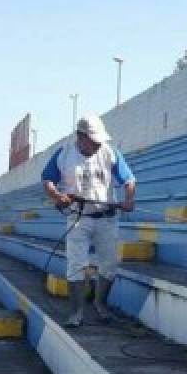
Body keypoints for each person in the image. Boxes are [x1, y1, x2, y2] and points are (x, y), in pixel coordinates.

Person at [41, 115, 137, 327]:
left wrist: (129, 199)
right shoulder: (63, 155)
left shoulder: (110, 153)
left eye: (98, 141)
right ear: (80, 137)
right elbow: (48, 181)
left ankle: (100, 304)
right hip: (79, 218)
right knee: (76, 265)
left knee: (109, 264)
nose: (96, 145)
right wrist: (58, 196)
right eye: (93, 141)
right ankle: (76, 313)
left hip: (107, 217)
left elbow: (129, 180)